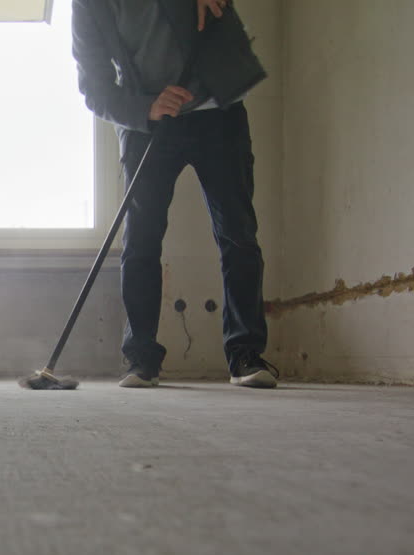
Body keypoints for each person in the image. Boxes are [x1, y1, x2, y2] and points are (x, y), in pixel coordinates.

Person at [71, 0, 278, 389]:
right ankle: (141, 358)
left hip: (218, 112)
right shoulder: (88, 5)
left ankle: (245, 355)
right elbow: (94, 89)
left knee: (238, 232)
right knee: (142, 241)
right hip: (148, 125)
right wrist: (145, 107)